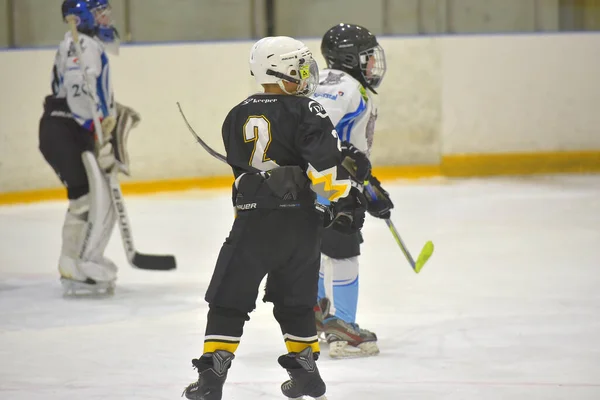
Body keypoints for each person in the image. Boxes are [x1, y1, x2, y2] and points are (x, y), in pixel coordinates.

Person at [182, 36, 369, 400]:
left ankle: (212, 376)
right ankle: (306, 374)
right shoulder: (307, 109)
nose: (305, 73)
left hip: (253, 223)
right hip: (301, 224)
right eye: (298, 66)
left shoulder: (235, 114)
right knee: (297, 300)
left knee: (228, 298)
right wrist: (343, 203)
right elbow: (327, 171)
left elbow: (241, 179)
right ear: (278, 69)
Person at [39, 0, 138, 295]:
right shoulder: (82, 44)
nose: (106, 19)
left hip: (65, 130)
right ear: (82, 18)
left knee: (87, 198)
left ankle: (77, 261)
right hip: (66, 130)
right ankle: (76, 264)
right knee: (86, 200)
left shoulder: (76, 41)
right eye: (100, 13)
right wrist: (95, 127)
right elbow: (79, 86)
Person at [311, 23, 394, 358]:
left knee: (316, 249)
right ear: (348, 58)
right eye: (366, 57)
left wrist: (367, 184)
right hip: (330, 187)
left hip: (313, 185)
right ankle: (343, 330)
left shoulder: (321, 81)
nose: (373, 64)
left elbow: (343, 145)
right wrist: (349, 172)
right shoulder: (345, 87)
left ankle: (315, 318)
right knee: (344, 252)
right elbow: (317, 130)